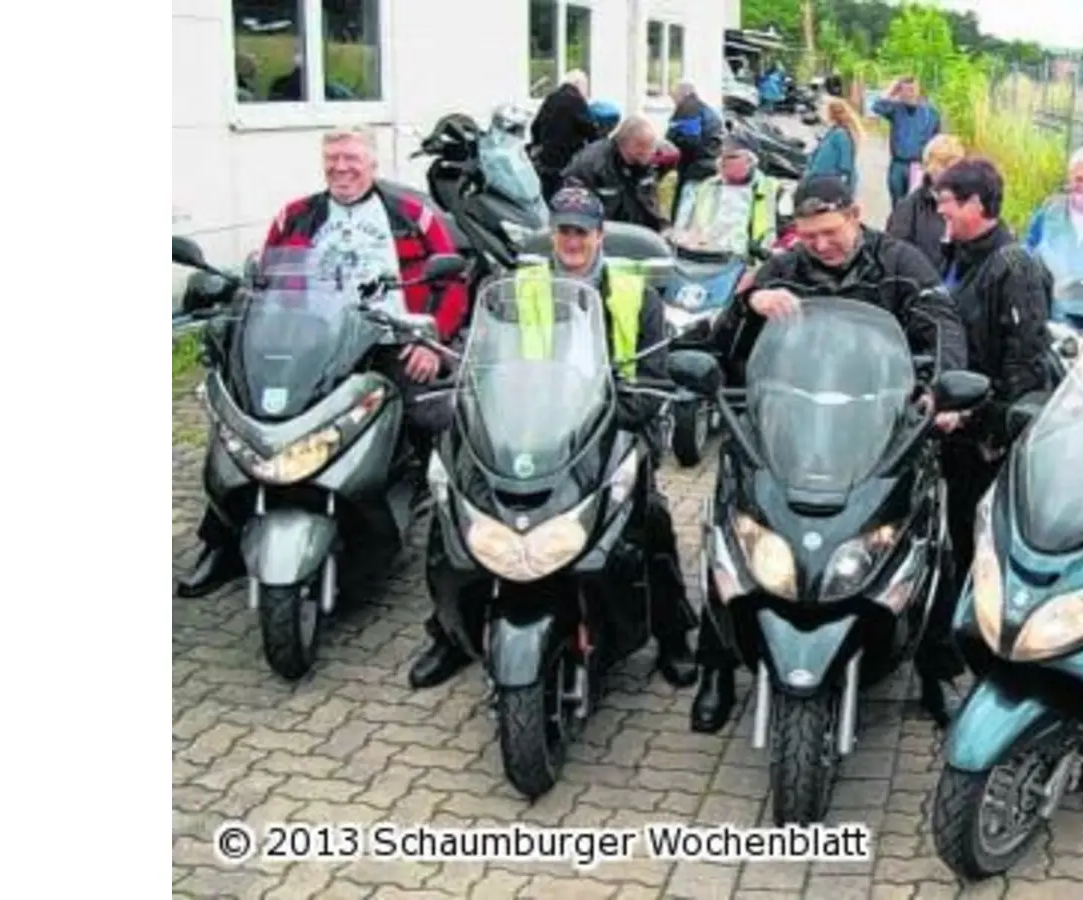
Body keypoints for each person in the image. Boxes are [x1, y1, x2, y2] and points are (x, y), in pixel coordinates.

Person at [690, 175, 971, 733]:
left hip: (877, 426)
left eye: (829, 232)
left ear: (855, 215)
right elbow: (725, 341)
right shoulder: (783, 267)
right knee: (729, 536)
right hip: (785, 427)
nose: (819, 245)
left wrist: (940, 393)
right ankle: (715, 668)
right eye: (807, 235)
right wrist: (750, 301)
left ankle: (935, 667)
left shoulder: (900, 262)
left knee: (929, 539)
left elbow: (942, 325)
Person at [406, 186, 700, 691]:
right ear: (552, 235)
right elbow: (479, 354)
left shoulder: (636, 296)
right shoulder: (516, 287)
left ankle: (672, 634)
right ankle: (449, 633)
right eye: (563, 230)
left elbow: (653, 375)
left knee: (649, 519)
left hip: (610, 427)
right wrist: (460, 387)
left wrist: (627, 410)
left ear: (598, 235)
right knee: (453, 514)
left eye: (581, 232)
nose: (571, 240)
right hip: (525, 423)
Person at [175, 127, 469, 599]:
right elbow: (264, 283)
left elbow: (453, 280)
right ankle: (220, 542)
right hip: (314, 340)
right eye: (331, 159)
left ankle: (445, 531)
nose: (341, 167)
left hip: (390, 338)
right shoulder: (295, 217)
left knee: (430, 413)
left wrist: (432, 340)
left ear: (373, 163)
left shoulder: (412, 215)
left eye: (351, 158)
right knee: (239, 422)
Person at [929, 159, 1056, 713]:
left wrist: (979, 421)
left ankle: (985, 667)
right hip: (951, 426)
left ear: (978, 205)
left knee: (979, 549)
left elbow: (1022, 366)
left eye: (947, 202)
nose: (940, 211)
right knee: (954, 539)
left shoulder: (1013, 267)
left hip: (985, 441)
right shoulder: (958, 255)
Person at [672, 134, 782, 259]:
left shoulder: (774, 190)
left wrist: (770, 253)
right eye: (720, 156)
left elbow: (790, 235)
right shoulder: (704, 187)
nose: (722, 161)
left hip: (755, 266)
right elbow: (681, 230)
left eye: (732, 156)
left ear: (751, 161)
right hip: (706, 262)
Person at [561, 116, 669, 234]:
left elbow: (650, 202)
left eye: (652, 147)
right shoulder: (590, 164)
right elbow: (572, 210)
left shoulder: (645, 165)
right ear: (629, 145)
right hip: (602, 236)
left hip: (637, 235)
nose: (651, 153)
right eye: (646, 147)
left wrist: (663, 228)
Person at [885, 134, 966, 271]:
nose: (951, 174)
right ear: (929, 166)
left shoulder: (968, 205)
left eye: (956, 168)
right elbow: (893, 256)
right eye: (944, 165)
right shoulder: (908, 208)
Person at [529, 70, 602, 200]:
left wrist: (539, 144)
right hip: (566, 162)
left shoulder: (551, 98)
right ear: (579, 85)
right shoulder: (576, 101)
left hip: (546, 162)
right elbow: (590, 130)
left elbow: (535, 126)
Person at [871, 76, 942, 209]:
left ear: (918, 90)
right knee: (898, 204)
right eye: (905, 89)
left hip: (919, 165)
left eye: (912, 89)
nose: (909, 93)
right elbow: (876, 106)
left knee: (918, 205)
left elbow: (938, 141)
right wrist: (892, 89)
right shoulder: (895, 109)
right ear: (900, 92)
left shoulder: (931, 113)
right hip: (898, 164)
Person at [665, 81, 725, 218]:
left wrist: (671, 145)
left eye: (675, 96)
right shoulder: (705, 109)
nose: (674, 101)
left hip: (695, 166)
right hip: (711, 164)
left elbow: (690, 140)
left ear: (685, 94)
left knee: (685, 210)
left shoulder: (688, 108)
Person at [805, 97, 863, 190]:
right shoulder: (836, 131)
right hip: (826, 180)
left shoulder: (839, 134)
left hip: (829, 183)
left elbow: (845, 163)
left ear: (831, 113)